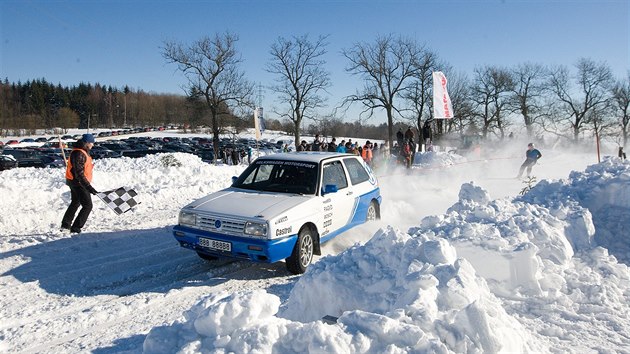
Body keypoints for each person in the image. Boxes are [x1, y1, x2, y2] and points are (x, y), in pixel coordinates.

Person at [61, 133, 99, 234]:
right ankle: (76, 228)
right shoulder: (79, 153)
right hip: (78, 183)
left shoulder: (82, 152)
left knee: (75, 202)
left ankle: (65, 225)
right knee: (87, 206)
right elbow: (79, 173)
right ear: (86, 143)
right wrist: (88, 187)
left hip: (75, 181)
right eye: (91, 143)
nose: (92, 145)